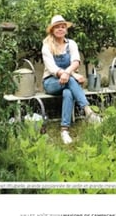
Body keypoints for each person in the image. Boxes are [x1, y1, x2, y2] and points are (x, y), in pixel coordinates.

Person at [42, 15, 101, 144]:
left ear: (66, 30)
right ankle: (88, 111)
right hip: (51, 82)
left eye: (63, 27)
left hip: (67, 81)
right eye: (57, 27)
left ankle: (64, 130)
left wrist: (69, 73)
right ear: (52, 30)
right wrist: (73, 75)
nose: (60, 29)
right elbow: (52, 68)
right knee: (70, 81)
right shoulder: (46, 46)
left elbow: (76, 61)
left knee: (68, 92)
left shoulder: (71, 44)